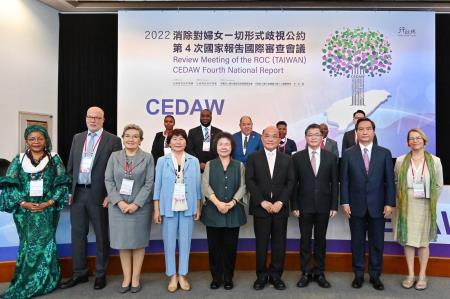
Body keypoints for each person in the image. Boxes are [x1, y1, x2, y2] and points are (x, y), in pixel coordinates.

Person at [0, 125, 70, 298]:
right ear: (26, 141)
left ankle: (47, 281)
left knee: (46, 244)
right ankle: (25, 281)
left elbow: (62, 184)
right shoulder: (19, 159)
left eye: (40, 138)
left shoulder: (54, 159)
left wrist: (48, 202)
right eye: (32, 139)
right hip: (25, 212)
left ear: (46, 139)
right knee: (28, 245)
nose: (36, 142)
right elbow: (9, 185)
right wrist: (24, 203)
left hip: (47, 210)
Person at [61, 106, 122, 290]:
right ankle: (79, 273)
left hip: (100, 195)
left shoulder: (113, 140)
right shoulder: (78, 138)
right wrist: (69, 191)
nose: (93, 120)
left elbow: (117, 171)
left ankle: (100, 274)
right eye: (90, 117)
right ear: (86, 118)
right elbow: (71, 166)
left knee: (102, 236)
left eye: (97, 117)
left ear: (103, 119)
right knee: (78, 235)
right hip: (78, 194)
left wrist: (111, 195)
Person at [340, 117, 395, 291]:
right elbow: (345, 180)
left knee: (377, 242)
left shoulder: (384, 153)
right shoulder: (348, 153)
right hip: (355, 205)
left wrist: (389, 203)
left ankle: (375, 275)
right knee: (357, 242)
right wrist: (345, 202)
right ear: (356, 132)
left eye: (368, 129)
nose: (365, 132)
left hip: (378, 206)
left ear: (374, 131)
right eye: (361, 129)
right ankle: (358, 275)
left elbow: (389, 181)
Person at [105, 124, 154, 293]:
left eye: (135, 136)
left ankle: (135, 279)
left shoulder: (147, 158)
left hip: (140, 208)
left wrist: (135, 204)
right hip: (118, 208)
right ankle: (126, 278)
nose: (131, 139)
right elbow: (109, 181)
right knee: (123, 244)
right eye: (127, 136)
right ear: (123, 138)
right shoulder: (114, 156)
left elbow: (149, 184)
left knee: (138, 244)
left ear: (140, 140)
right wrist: (119, 202)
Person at [246, 126, 295, 291]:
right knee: (261, 243)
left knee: (279, 243)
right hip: (261, 208)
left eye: (274, 136)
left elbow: (290, 182)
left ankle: (275, 275)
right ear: (262, 138)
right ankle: (261, 275)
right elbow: (250, 181)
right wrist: (262, 202)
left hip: (280, 208)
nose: (271, 139)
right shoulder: (253, 158)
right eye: (267, 136)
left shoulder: (287, 159)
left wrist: (280, 202)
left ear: (279, 138)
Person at [393, 128, 443, 290]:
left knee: (422, 243)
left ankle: (422, 275)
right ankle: (410, 274)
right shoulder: (400, 160)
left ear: (424, 140)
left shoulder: (435, 161)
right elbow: (395, 182)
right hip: (406, 205)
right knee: (408, 241)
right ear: (408, 142)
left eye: (418, 138)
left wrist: (430, 198)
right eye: (411, 138)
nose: (415, 141)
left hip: (425, 205)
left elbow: (438, 185)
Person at [153, 129, 202, 293]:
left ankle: (182, 274)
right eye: (175, 139)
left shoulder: (193, 160)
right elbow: (157, 186)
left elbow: (197, 186)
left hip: (188, 206)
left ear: (186, 142)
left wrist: (198, 206)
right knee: (169, 242)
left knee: (185, 242)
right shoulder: (162, 160)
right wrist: (156, 209)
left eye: (182, 139)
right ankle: (172, 275)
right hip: (168, 207)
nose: (178, 142)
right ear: (169, 141)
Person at [292, 124, 338, 289]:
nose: (313, 137)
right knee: (305, 240)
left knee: (320, 241)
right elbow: (293, 184)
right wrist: (294, 204)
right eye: (310, 135)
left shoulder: (330, 157)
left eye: (316, 134)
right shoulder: (297, 157)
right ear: (306, 137)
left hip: (324, 206)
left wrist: (334, 205)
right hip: (303, 206)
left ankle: (319, 272)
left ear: (321, 137)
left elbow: (334, 183)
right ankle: (305, 272)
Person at [200, 132, 247, 290]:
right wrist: (217, 202)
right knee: (214, 247)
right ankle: (216, 277)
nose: (224, 147)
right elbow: (205, 185)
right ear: (216, 147)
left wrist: (232, 203)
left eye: (227, 144)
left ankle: (228, 277)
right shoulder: (210, 164)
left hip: (233, 212)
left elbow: (243, 186)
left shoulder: (239, 165)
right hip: (213, 211)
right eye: (221, 144)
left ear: (232, 147)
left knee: (230, 248)